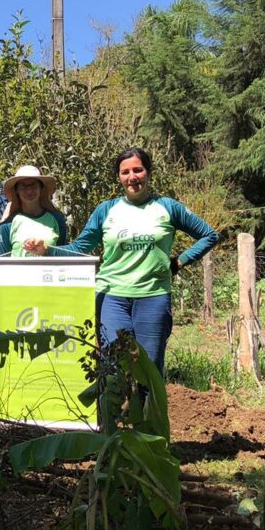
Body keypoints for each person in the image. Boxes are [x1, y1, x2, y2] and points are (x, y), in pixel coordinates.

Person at [55, 147, 219, 376]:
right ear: (119, 177)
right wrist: (47, 250)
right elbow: (80, 248)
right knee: (113, 368)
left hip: (153, 296)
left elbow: (209, 235)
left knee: (149, 369)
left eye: (138, 170)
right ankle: (113, 413)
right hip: (112, 297)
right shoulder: (106, 210)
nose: (132, 177)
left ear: (149, 172)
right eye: (125, 172)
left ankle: (147, 413)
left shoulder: (168, 207)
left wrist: (179, 262)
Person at [0, 164, 68, 256]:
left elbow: (64, 253)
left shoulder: (57, 219)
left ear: (41, 189)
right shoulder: (7, 225)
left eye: (34, 185)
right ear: (16, 190)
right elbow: (2, 262)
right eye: (23, 186)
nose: (29, 191)